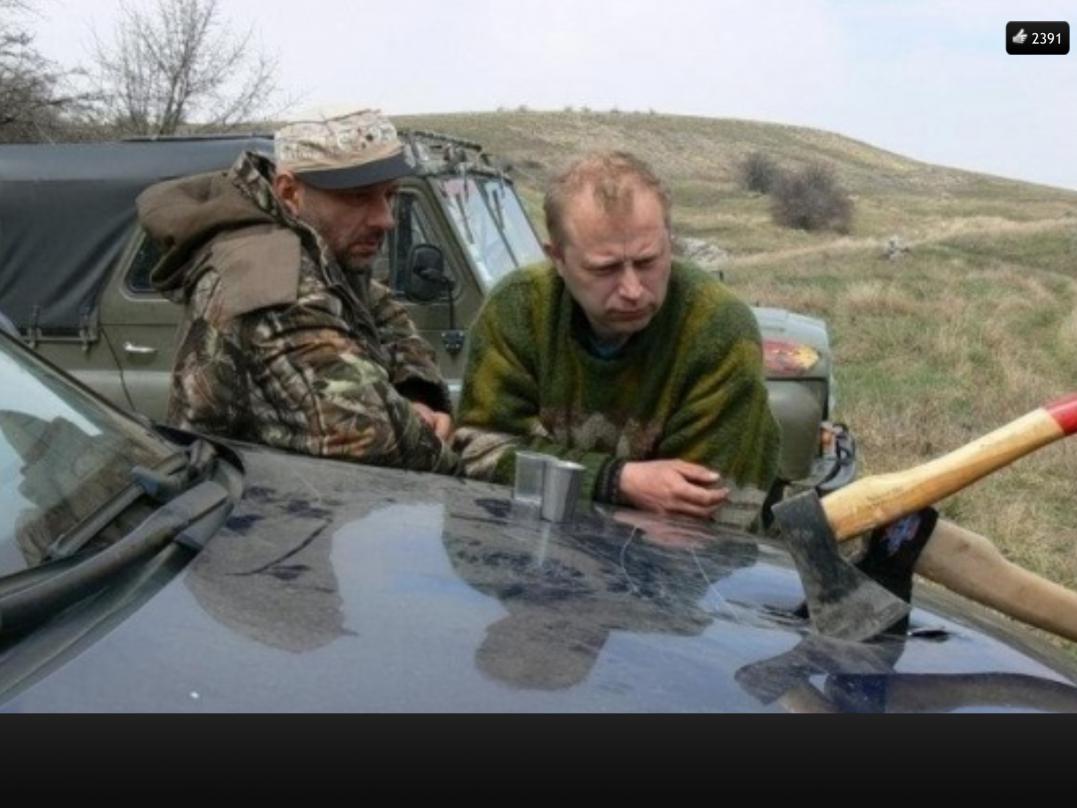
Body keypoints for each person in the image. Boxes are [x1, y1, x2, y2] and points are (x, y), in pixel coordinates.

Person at [452, 150, 781, 529]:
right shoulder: (517, 310)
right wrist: (616, 481)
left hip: (687, 560)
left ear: (669, 241)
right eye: (605, 269)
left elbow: (699, 509)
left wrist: (551, 476)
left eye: (647, 261)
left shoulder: (718, 329)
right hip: (533, 548)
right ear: (557, 258)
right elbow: (479, 453)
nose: (632, 290)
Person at [137, 109, 457, 473]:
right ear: (290, 192)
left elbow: (385, 317)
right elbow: (376, 438)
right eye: (358, 197)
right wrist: (440, 444)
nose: (385, 218)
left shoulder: (323, 246)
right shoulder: (271, 278)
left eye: (390, 195)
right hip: (260, 499)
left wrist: (416, 395)